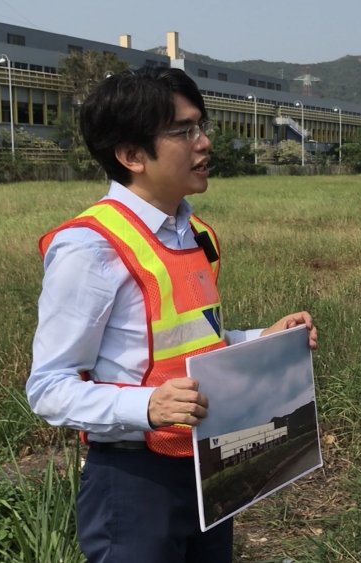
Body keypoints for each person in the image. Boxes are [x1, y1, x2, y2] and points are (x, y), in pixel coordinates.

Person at [27, 67, 317, 563]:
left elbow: (195, 343)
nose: (203, 143)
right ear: (131, 155)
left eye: (201, 126)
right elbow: (48, 387)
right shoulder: (91, 248)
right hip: (135, 480)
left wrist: (258, 339)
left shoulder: (194, 233)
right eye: (184, 131)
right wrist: (146, 408)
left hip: (205, 465)